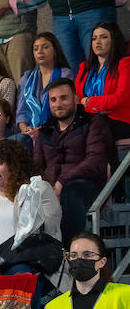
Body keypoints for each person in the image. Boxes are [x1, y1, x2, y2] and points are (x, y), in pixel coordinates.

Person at [35, 76, 114, 241]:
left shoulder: (94, 122)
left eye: (64, 98)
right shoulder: (45, 131)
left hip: (85, 185)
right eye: (53, 100)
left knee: (71, 193)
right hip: (52, 187)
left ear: (76, 99)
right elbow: (36, 167)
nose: (58, 104)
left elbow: (95, 162)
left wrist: (62, 182)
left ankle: (69, 252)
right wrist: (45, 186)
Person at [0, 138, 63, 270]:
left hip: (29, 262)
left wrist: (32, 202)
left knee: (19, 271)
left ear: (14, 164)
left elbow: (50, 229)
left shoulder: (38, 188)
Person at [76, 21, 130, 136]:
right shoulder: (84, 67)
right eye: (94, 38)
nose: (97, 42)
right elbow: (76, 98)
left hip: (117, 120)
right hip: (89, 119)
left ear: (114, 40)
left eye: (103, 37)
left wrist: (89, 102)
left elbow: (119, 99)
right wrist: (101, 107)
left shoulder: (125, 64)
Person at [16, 32, 76, 135]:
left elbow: (69, 109)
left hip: (58, 131)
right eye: (36, 49)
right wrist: (25, 129)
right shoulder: (26, 78)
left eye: (45, 47)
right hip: (30, 134)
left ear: (55, 51)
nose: (40, 52)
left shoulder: (65, 74)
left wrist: (43, 132)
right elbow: (22, 112)